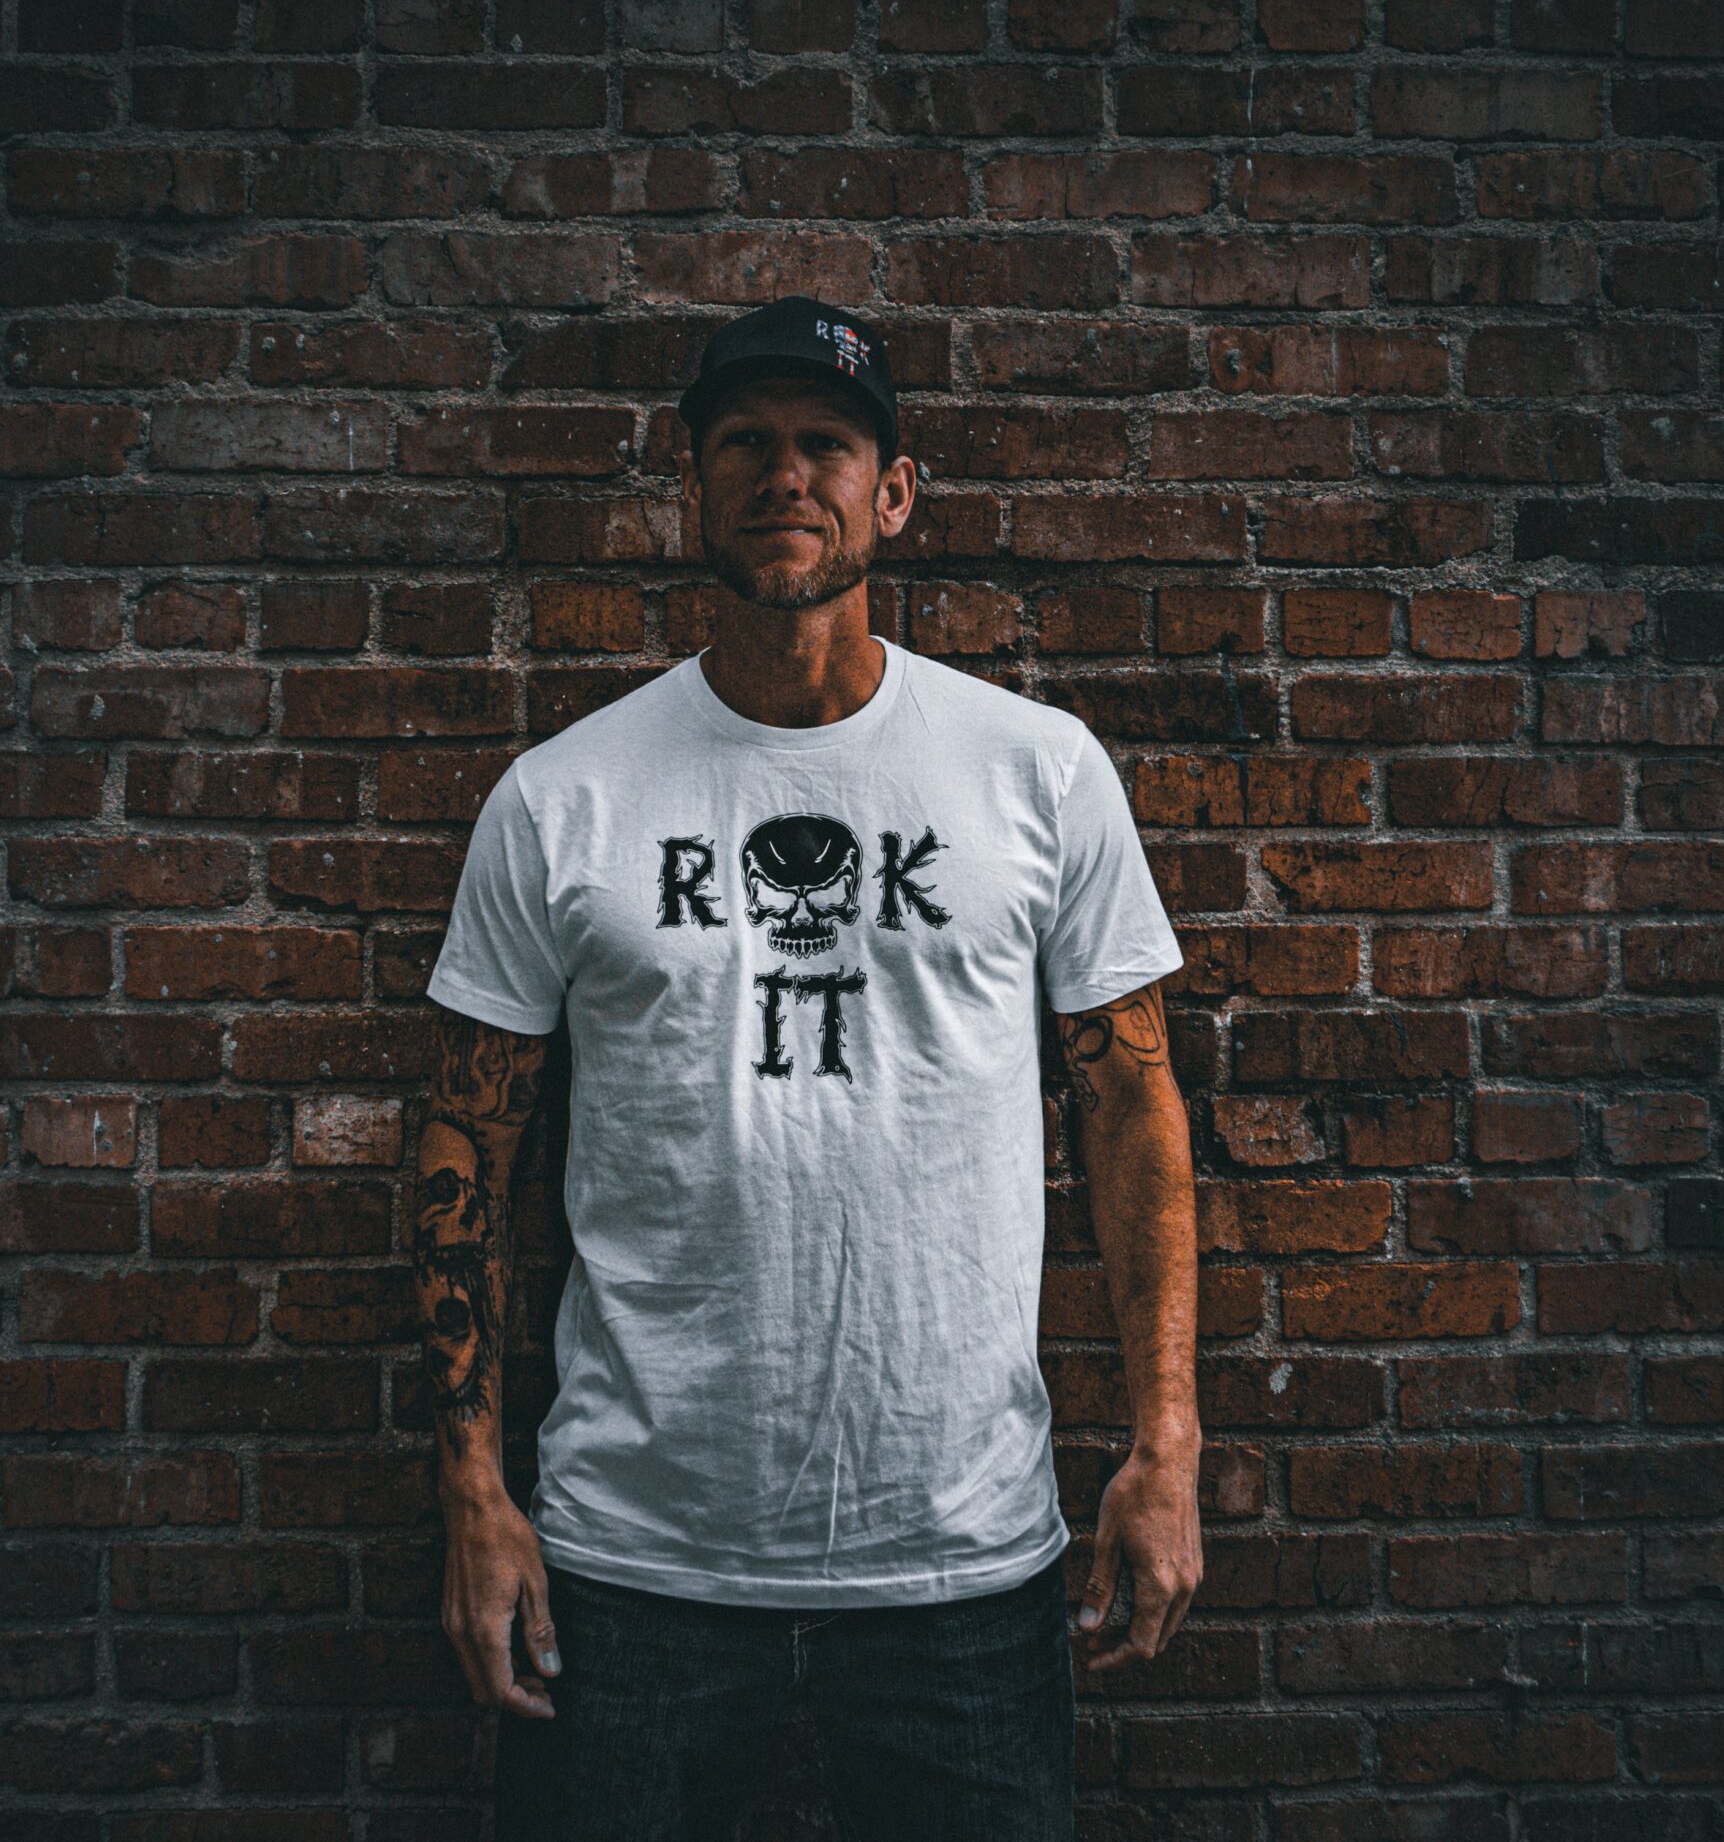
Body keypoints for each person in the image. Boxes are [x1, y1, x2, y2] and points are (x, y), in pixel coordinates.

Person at [414, 294, 1203, 1841]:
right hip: (631, 1564)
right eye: (746, 444)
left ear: (892, 492)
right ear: (693, 487)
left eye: (828, 445)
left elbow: (1132, 1108)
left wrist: (1167, 1445)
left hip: (959, 1562)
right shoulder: (564, 799)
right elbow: (463, 1138)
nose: (787, 475)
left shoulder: (1035, 774)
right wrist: (473, 1493)